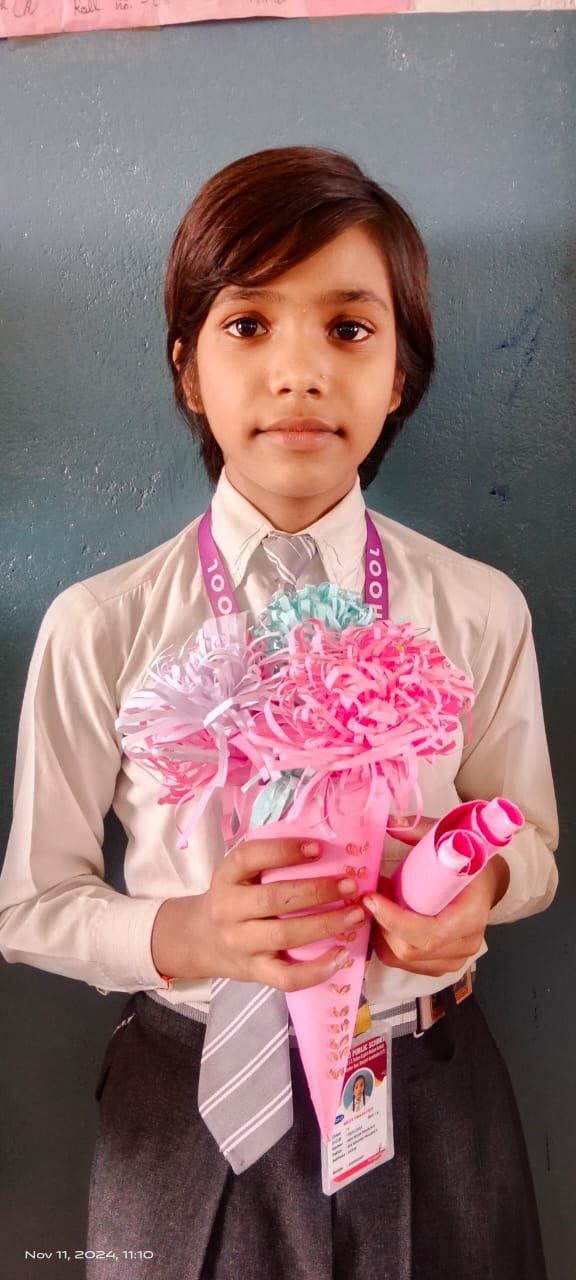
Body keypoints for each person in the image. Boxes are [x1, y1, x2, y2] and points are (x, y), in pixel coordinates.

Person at [0, 146, 558, 1280]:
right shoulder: (101, 624)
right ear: (188, 369)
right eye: (248, 325)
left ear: (399, 375)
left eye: (349, 329)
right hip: (188, 1095)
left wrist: (484, 889)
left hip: (431, 1086)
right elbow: (30, 904)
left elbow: (534, 841)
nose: (298, 372)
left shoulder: (479, 608)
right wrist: (186, 934)